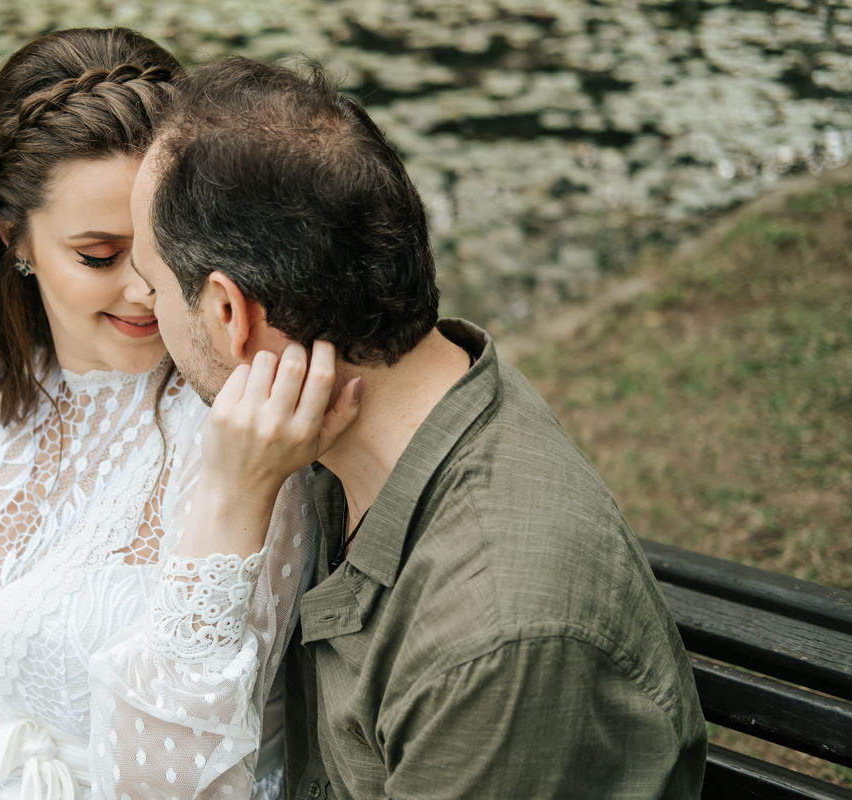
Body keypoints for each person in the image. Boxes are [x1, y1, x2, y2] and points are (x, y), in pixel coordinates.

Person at [128, 57, 708, 799]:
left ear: (228, 315)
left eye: (151, 282)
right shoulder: (355, 439)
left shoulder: (494, 637)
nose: (143, 309)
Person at [0, 30, 360, 800]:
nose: (144, 291)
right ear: (15, 239)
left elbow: (190, 774)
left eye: (163, 246)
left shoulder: (243, 418)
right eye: (99, 256)